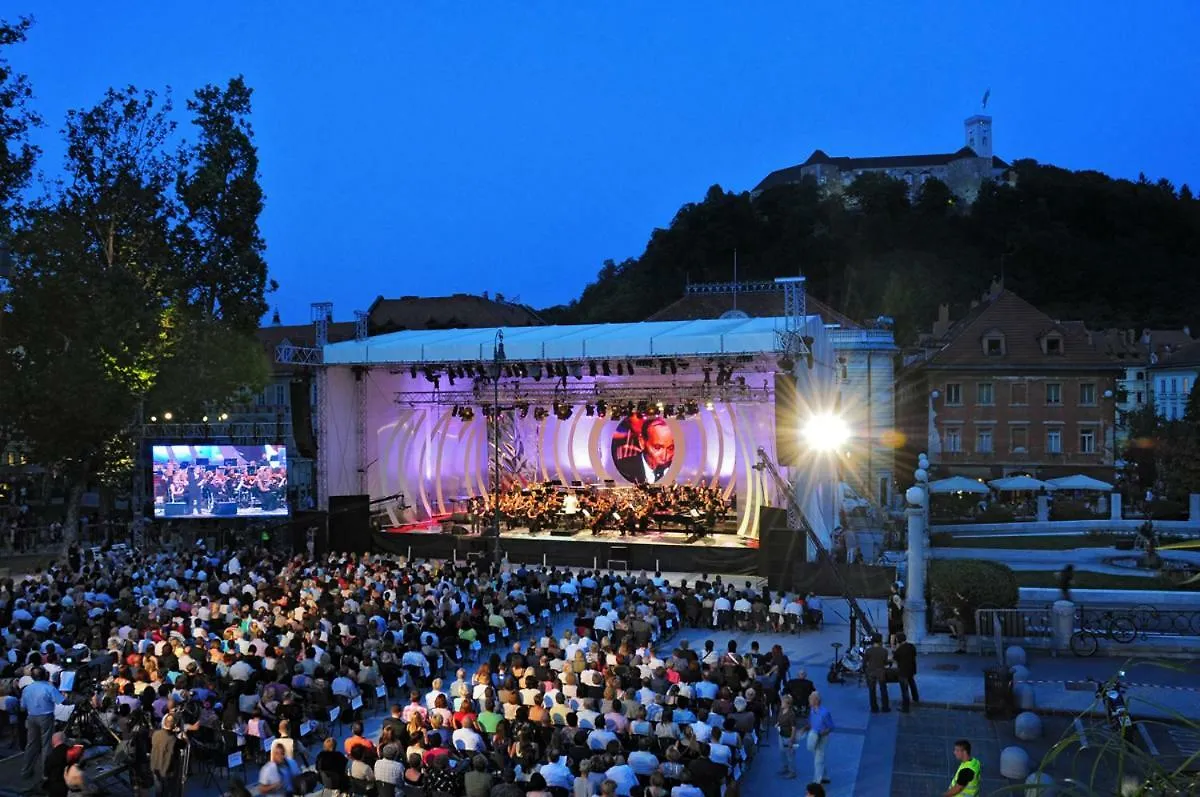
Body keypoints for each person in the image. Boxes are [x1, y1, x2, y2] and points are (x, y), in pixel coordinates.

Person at [20, 666, 63, 791]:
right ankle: (45, 773)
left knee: (31, 744)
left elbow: (22, 706)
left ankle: (26, 771)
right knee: (46, 745)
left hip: (31, 717)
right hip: (45, 717)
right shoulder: (48, 687)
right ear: (45, 675)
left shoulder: (27, 689)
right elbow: (61, 701)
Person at [613, 416, 675, 484]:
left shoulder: (675, 470)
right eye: (657, 447)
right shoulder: (623, 469)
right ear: (642, 442)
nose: (664, 456)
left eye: (670, 449)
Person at [801, 691, 834, 786]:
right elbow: (811, 722)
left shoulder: (824, 713)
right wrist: (805, 728)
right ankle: (824, 776)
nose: (809, 700)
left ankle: (817, 782)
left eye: (810, 699)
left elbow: (831, 727)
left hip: (822, 738)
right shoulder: (812, 710)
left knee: (818, 759)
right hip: (814, 736)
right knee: (818, 757)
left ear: (816, 700)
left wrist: (824, 732)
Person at [862, 635, 890, 713]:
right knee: (883, 690)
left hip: (871, 672)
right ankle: (885, 707)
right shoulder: (884, 651)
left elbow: (864, 662)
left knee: (872, 690)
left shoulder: (868, 650)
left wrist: (865, 670)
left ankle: (874, 708)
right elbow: (885, 662)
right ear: (880, 641)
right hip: (881, 671)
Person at [892, 633, 919, 712]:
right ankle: (915, 698)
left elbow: (895, 659)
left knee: (905, 689)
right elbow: (914, 654)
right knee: (912, 683)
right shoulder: (911, 646)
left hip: (903, 670)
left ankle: (906, 707)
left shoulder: (899, 649)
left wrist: (895, 648)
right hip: (911, 669)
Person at [776, 693, 798, 779]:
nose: (781, 703)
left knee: (790, 754)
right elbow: (779, 719)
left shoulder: (791, 714)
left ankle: (792, 772)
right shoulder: (781, 710)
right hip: (781, 735)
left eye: (782, 702)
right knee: (782, 752)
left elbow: (793, 728)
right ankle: (785, 767)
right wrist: (777, 724)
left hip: (788, 736)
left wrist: (791, 740)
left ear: (788, 704)